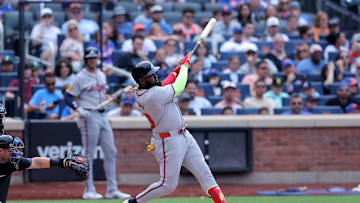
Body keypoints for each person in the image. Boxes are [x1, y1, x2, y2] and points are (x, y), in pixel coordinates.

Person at [125, 54, 227, 203]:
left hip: (184, 135)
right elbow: (178, 87)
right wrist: (185, 68)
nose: (154, 76)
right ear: (141, 80)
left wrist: (177, 70)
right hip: (168, 141)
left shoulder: (151, 90)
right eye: (150, 75)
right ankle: (133, 202)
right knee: (168, 185)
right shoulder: (151, 95)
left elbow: (166, 83)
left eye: (154, 73)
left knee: (206, 175)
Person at [65, 47, 131, 200]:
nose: (93, 60)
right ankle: (88, 190)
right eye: (90, 58)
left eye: (95, 58)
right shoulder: (79, 77)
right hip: (88, 116)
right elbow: (68, 96)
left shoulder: (101, 75)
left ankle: (112, 189)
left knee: (111, 151)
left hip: (103, 114)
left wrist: (112, 97)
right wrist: (78, 108)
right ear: (86, 60)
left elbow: (101, 95)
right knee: (89, 154)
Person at [0, 132, 88, 203]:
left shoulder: (13, 162)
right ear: (1, 151)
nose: (16, 153)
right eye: (12, 150)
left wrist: (63, 162)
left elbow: (37, 162)